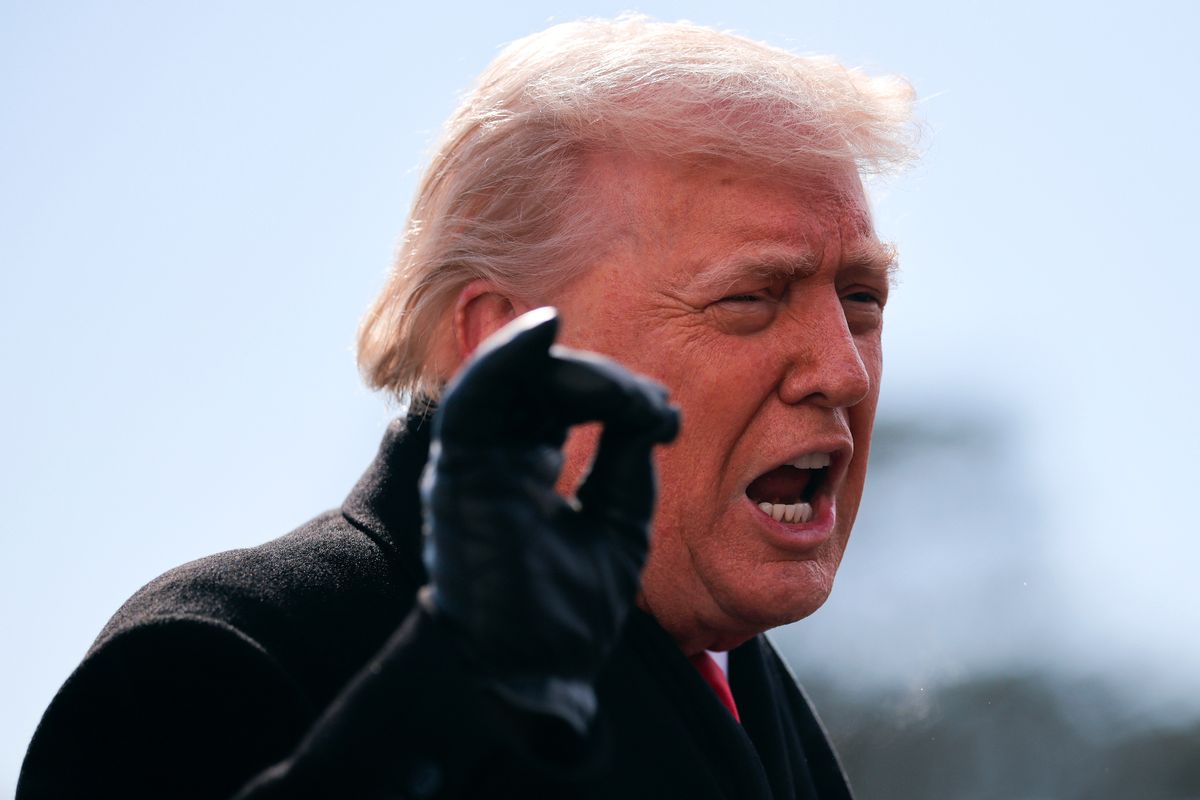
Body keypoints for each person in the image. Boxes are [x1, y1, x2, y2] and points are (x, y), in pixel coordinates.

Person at [18, 16, 916, 800]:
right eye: (751, 297)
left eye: (862, 298)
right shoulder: (220, 664)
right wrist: (446, 693)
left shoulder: (750, 701)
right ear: (508, 353)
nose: (842, 370)